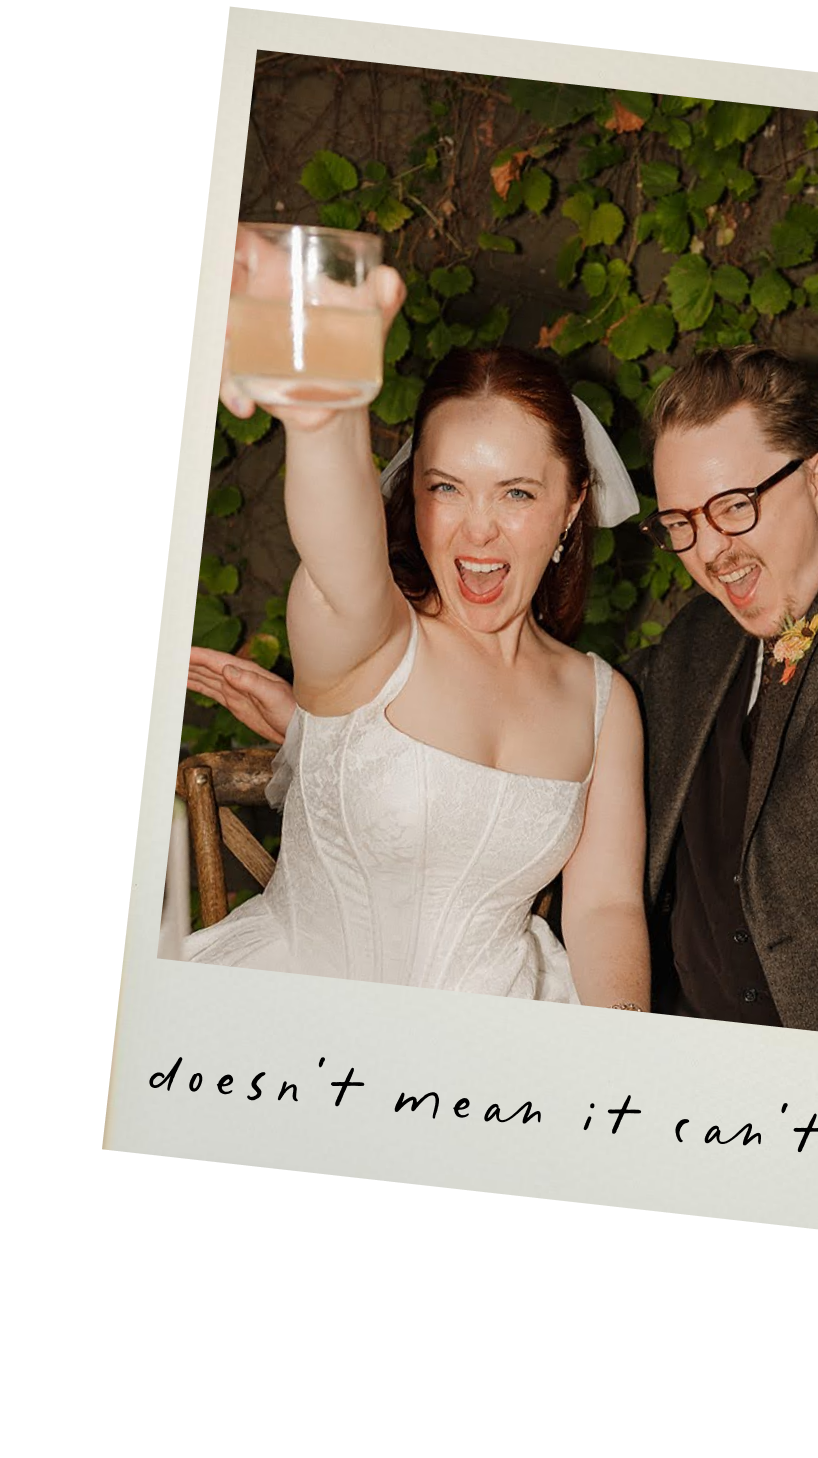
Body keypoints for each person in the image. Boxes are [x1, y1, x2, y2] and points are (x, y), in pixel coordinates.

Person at [195, 327, 818, 1031]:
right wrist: (330, 731)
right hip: (671, 1063)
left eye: (735, 505)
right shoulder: (695, 645)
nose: (712, 550)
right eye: (682, 522)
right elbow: (481, 757)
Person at [183, 255, 650, 1010]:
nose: (477, 531)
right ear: (412, 490)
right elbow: (336, 542)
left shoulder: (604, 702)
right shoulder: (368, 635)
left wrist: (615, 1057)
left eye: (517, 493)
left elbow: (606, 910)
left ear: (572, 506)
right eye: (446, 488)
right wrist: (327, 405)